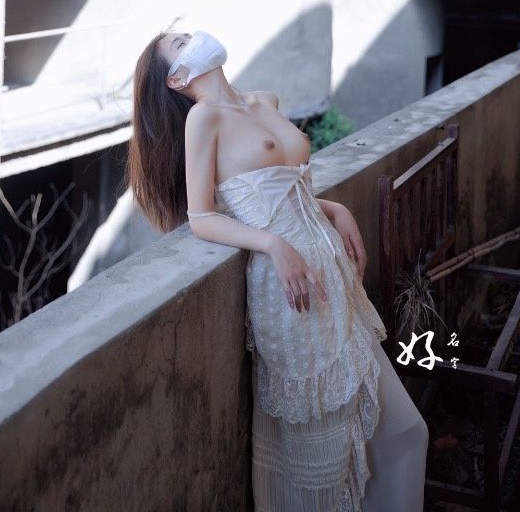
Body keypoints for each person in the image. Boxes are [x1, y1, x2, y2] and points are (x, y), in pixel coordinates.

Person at [126, 28, 429, 511]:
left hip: (332, 273)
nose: (195, 36)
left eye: (187, 31)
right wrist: (272, 245)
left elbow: (285, 189)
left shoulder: (263, 100)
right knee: (322, 460)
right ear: (177, 79)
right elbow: (201, 217)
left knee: (405, 430)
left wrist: (334, 208)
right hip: (288, 290)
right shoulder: (203, 118)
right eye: (180, 44)